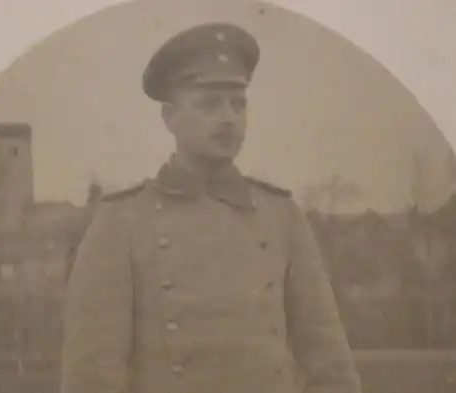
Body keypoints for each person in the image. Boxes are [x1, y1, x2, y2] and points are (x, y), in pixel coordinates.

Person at [61, 22, 362, 393]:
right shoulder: (120, 222)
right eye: (208, 103)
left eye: (238, 103)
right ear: (169, 118)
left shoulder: (282, 216)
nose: (227, 117)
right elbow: (92, 376)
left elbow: (330, 364)